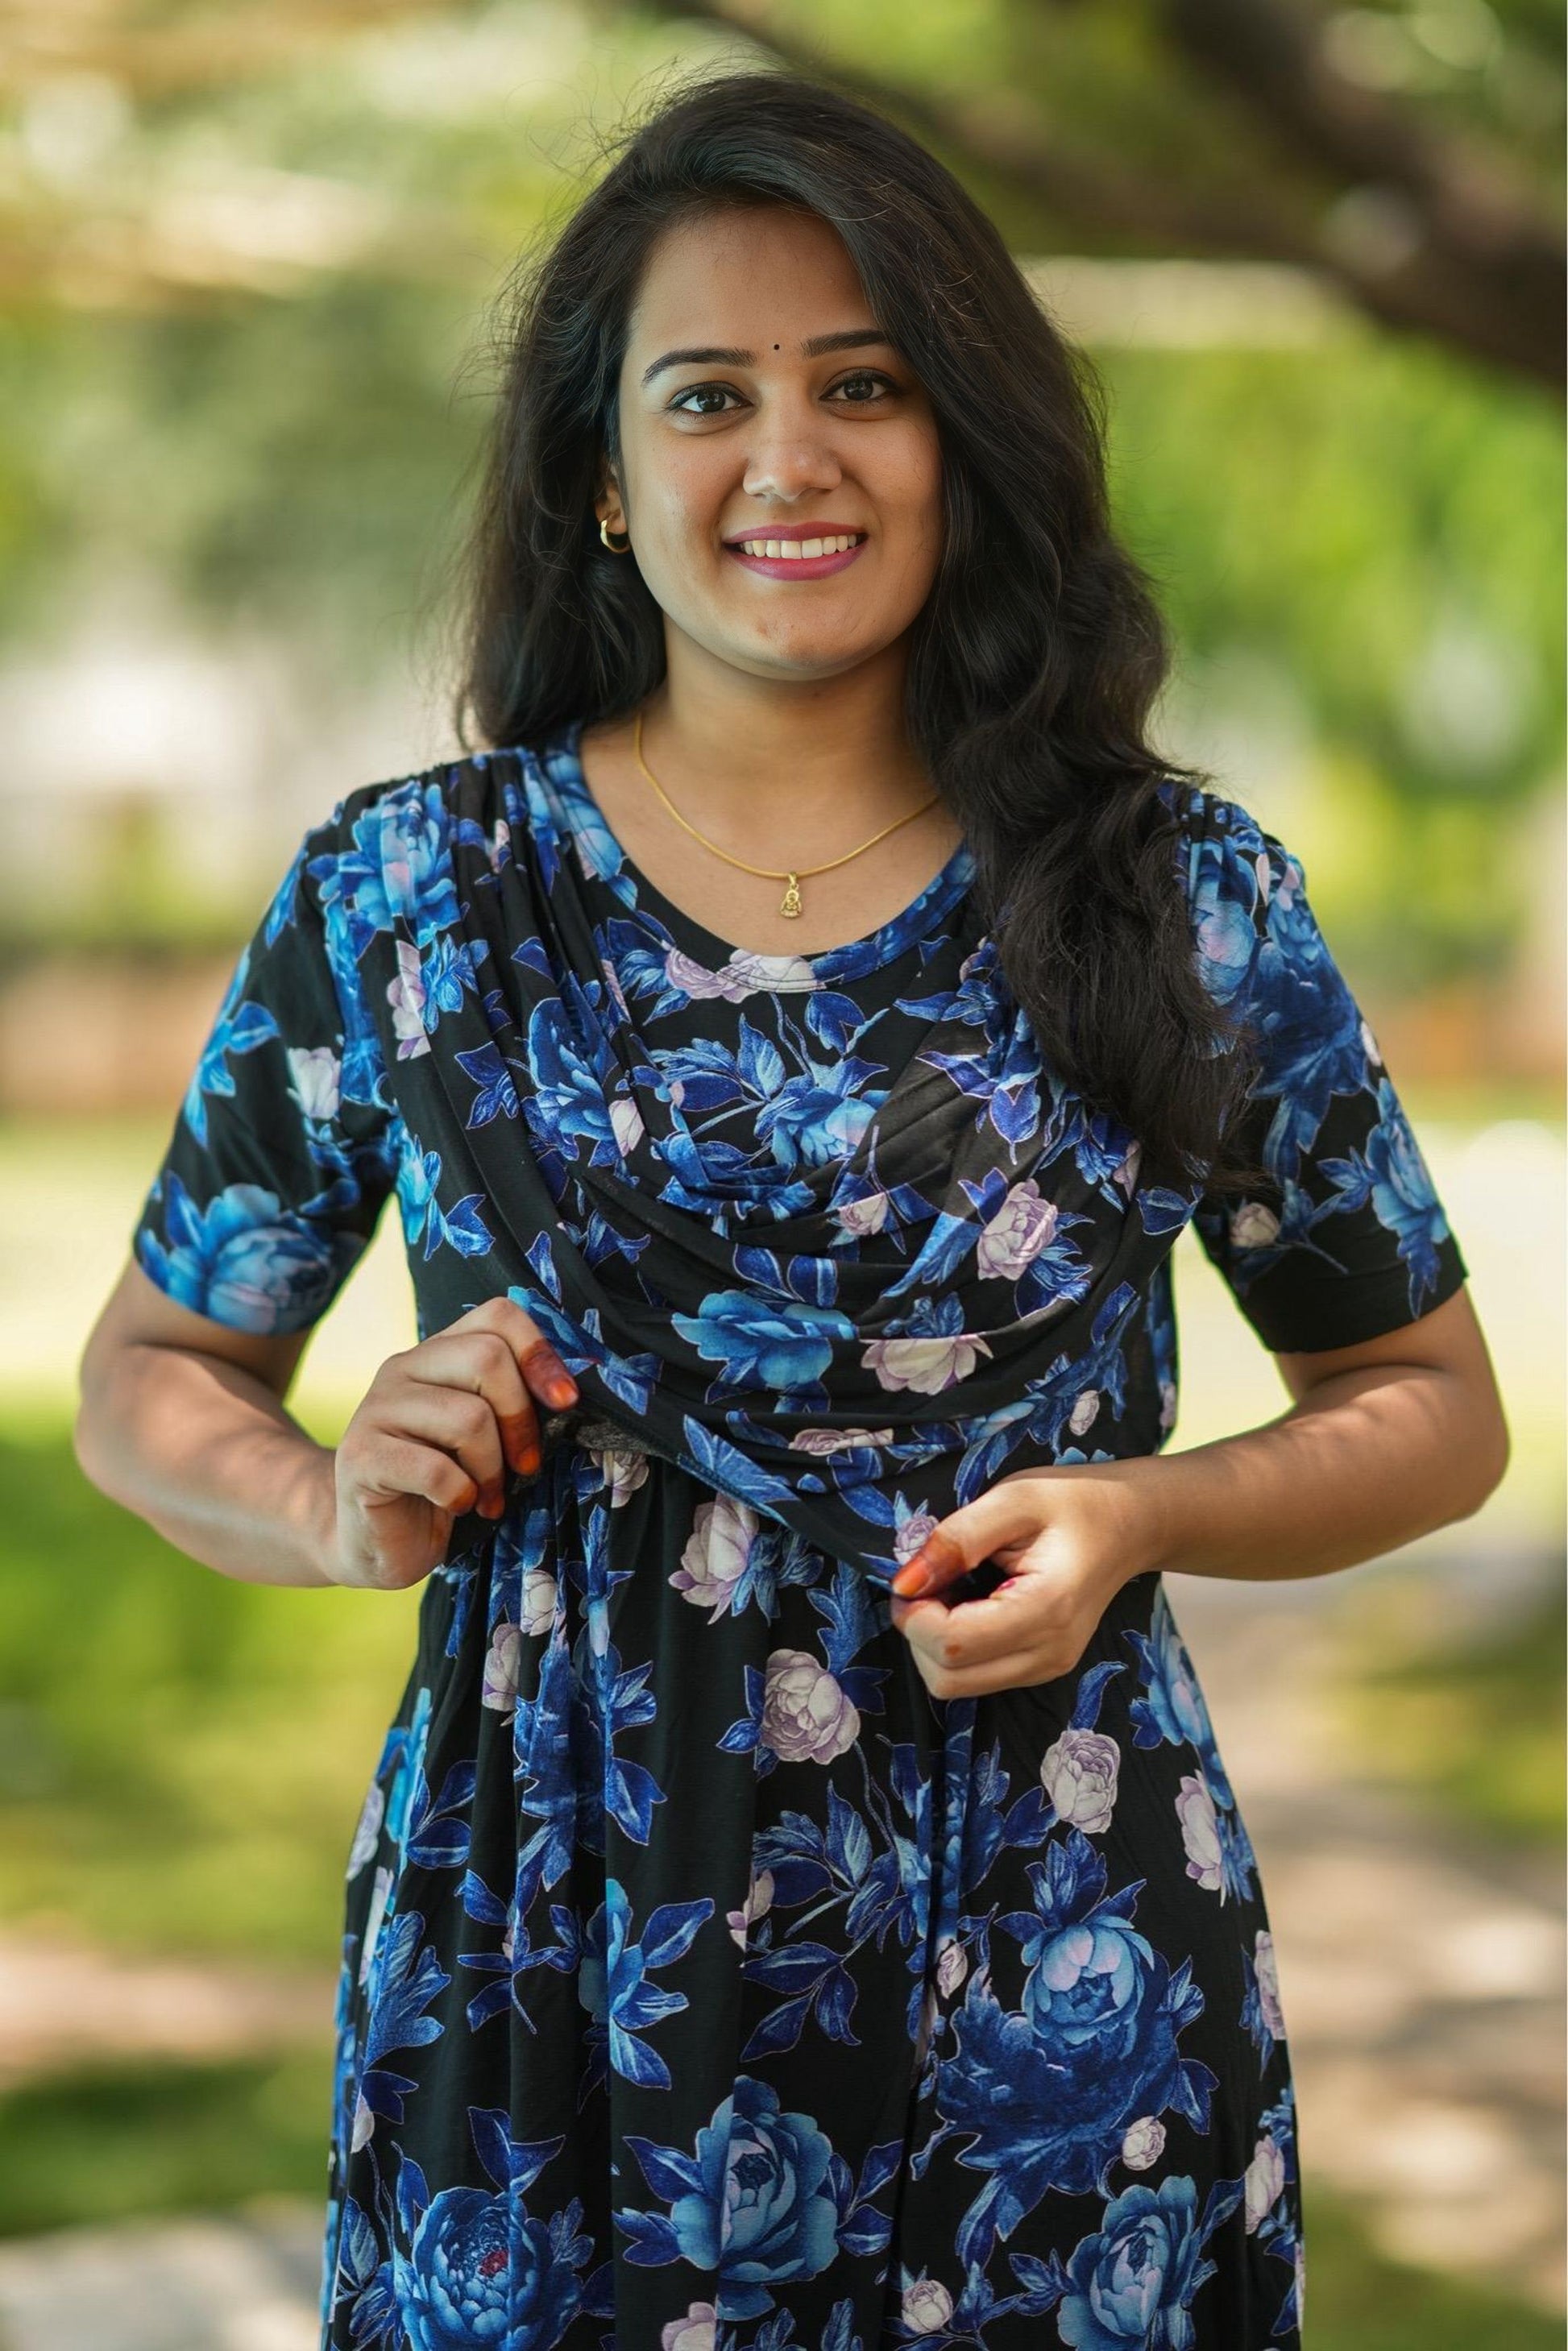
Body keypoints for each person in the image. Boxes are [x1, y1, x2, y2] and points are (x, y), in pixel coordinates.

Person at [73, 68, 1508, 2351]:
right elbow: (155, 1374)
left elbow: (1425, 1401)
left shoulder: (1175, 903)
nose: (789, 459)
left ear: (966, 440)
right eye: (706, 397)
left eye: (865, 385)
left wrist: (1141, 1514)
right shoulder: (414, 897)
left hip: (1053, 1945)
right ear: (602, 477)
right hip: (548, 1950)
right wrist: (327, 1501)